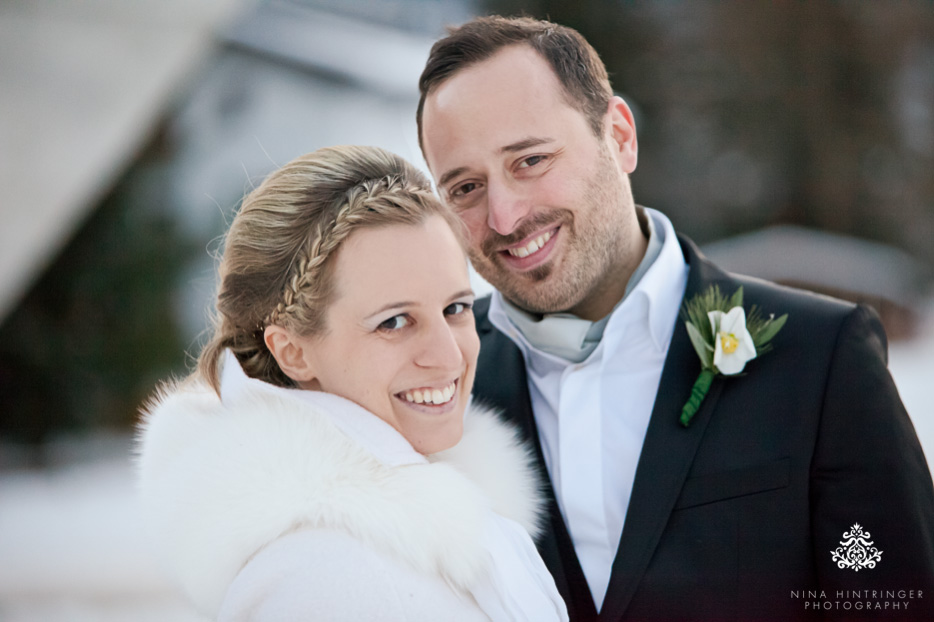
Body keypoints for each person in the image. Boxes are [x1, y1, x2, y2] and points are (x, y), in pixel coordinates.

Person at [416, 15, 934, 622]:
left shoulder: (821, 358)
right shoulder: (432, 380)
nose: (504, 217)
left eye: (529, 160)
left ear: (620, 137)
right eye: (465, 189)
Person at [136, 145, 569, 621]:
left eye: (456, 309)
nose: (448, 356)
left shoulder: (447, 526)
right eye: (395, 321)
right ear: (293, 351)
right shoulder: (321, 579)